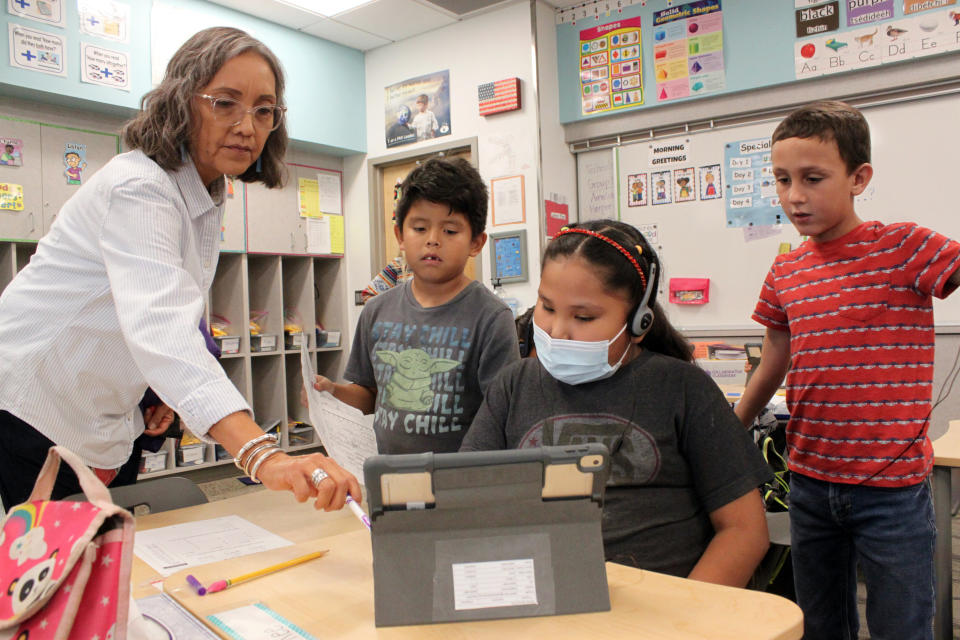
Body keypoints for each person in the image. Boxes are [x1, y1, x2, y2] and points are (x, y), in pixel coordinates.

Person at [0, 27, 359, 512]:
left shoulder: (208, 191)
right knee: (58, 566)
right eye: (225, 103)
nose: (247, 126)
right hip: (37, 403)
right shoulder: (139, 187)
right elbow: (161, 329)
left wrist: (162, 389)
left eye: (263, 109)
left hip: (105, 409)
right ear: (181, 103)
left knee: (112, 553)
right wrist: (262, 455)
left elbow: (174, 308)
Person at [734, 100, 960, 639]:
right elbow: (773, 358)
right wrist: (729, 430)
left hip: (892, 490)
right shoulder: (786, 267)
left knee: (900, 627)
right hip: (810, 481)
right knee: (820, 625)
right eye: (783, 179)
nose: (794, 196)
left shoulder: (905, 247)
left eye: (813, 178)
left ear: (859, 178)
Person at [460, 220, 772, 586]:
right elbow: (467, 503)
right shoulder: (513, 386)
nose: (557, 331)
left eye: (583, 317)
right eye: (546, 307)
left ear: (639, 320)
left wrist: (683, 620)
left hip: (663, 613)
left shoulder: (683, 389)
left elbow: (744, 531)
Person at [311, 157, 520, 454]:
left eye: (450, 231)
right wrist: (333, 393)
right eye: (420, 228)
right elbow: (370, 394)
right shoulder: (376, 311)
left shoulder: (491, 317)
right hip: (388, 479)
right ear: (400, 235)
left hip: (458, 482)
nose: (433, 241)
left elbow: (499, 414)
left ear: (476, 242)